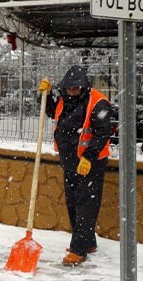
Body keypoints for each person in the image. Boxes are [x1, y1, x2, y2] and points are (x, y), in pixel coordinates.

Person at [38, 65, 112, 267]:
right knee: (72, 202)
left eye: (76, 89)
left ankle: (78, 250)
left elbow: (103, 132)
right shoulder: (64, 100)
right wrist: (46, 94)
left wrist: (88, 157)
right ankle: (87, 242)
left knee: (85, 204)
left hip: (91, 162)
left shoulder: (97, 102)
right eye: (69, 88)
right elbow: (51, 109)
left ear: (83, 87)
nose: (72, 92)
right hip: (70, 162)